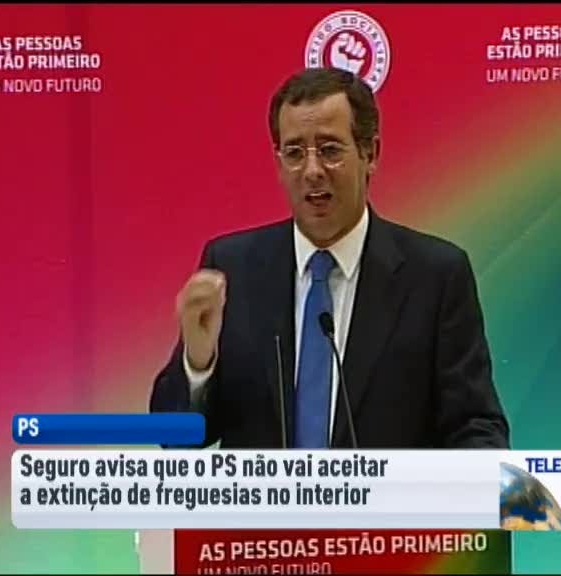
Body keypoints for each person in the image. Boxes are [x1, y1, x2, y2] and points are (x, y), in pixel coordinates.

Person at [150, 67, 509, 449]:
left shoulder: (434, 277)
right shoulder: (232, 269)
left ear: (370, 153)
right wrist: (198, 363)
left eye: (330, 150)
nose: (312, 171)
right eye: (294, 153)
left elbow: (475, 427)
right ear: (278, 163)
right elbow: (174, 440)